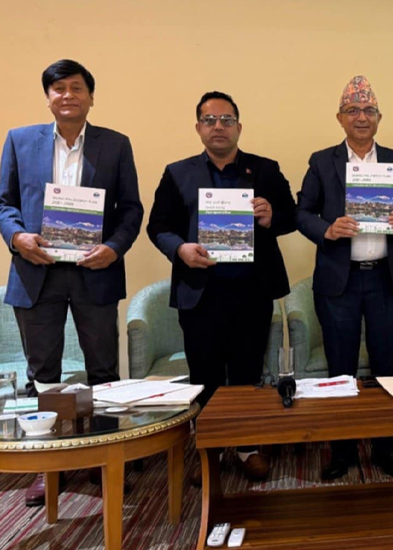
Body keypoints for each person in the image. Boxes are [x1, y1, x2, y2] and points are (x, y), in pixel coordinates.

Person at [0, 59, 143, 505]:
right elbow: (4, 205)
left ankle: (106, 458)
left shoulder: (115, 144)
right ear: (48, 98)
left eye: (77, 88)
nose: (68, 95)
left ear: (91, 97)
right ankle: (48, 464)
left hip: (95, 272)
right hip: (37, 273)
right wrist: (18, 238)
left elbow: (131, 209)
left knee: (103, 371)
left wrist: (114, 247)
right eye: (58, 88)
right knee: (43, 374)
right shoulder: (20, 141)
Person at [147, 91, 296, 481]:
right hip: (200, 293)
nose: (218, 126)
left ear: (239, 127)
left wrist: (272, 217)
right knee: (205, 375)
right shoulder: (177, 173)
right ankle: (209, 450)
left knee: (247, 372)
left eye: (227, 120)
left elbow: (292, 215)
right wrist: (180, 249)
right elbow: (158, 226)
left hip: (252, 291)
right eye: (210, 120)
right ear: (198, 127)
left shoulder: (265, 169)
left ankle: (247, 446)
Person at [296, 76, 393, 481]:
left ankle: (387, 447)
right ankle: (342, 448)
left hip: (385, 279)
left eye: (368, 111)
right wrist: (327, 229)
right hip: (340, 282)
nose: (361, 118)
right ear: (340, 118)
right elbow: (302, 213)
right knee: (340, 369)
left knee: (386, 368)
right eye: (353, 111)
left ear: (379, 117)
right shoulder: (322, 161)